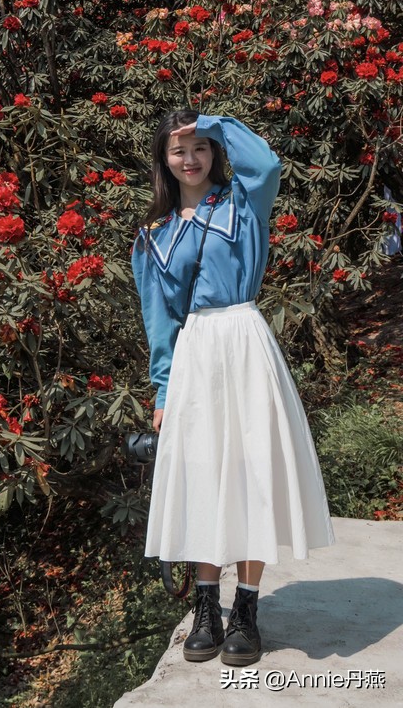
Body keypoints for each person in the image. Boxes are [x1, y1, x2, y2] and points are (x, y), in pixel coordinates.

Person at [130, 108, 336, 665]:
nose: (190, 159)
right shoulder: (154, 236)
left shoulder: (243, 202)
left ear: (214, 151)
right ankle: (205, 606)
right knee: (201, 473)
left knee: (249, 474)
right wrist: (163, 391)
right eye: (178, 150)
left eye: (199, 147)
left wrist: (211, 121)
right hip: (195, 355)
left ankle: (245, 608)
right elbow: (160, 322)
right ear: (163, 162)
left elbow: (266, 163)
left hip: (245, 341)